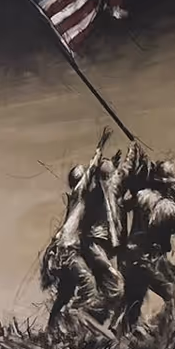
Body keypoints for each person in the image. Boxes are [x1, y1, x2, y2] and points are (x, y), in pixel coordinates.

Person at [41, 132, 124, 331]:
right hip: (68, 252)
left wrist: (111, 163)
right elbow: (94, 173)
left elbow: (101, 182)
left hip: (63, 251)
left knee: (66, 292)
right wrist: (100, 148)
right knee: (89, 289)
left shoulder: (78, 198)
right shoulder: (79, 192)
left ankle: (52, 330)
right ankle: (76, 322)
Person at [115, 158, 175, 333]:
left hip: (129, 258)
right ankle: (166, 330)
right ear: (167, 185)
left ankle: (120, 336)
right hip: (148, 259)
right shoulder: (166, 206)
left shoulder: (142, 195)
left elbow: (124, 205)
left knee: (134, 300)